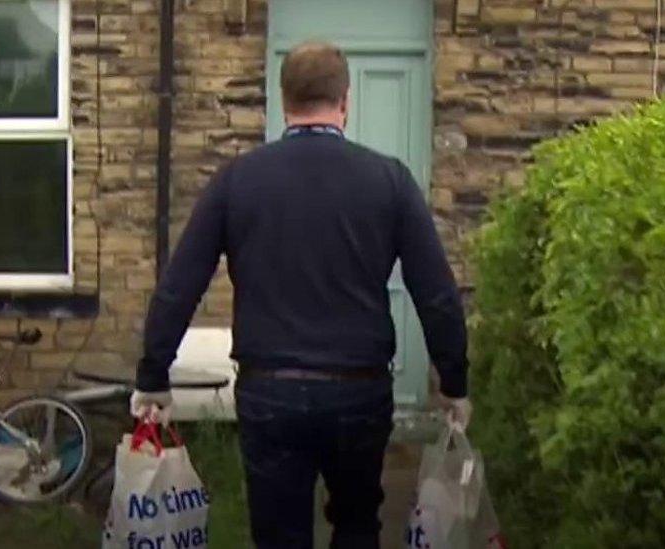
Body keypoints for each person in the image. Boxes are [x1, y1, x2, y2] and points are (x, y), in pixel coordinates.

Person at [130, 41, 471, 549]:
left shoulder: (237, 181)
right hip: (358, 391)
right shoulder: (389, 181)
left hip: (271, 392)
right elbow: (437, 293)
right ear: (345, 100)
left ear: (282, 98)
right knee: (357, 525)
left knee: (278, 535)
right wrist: (455, 380)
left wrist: (153, 376)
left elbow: (180, 286)